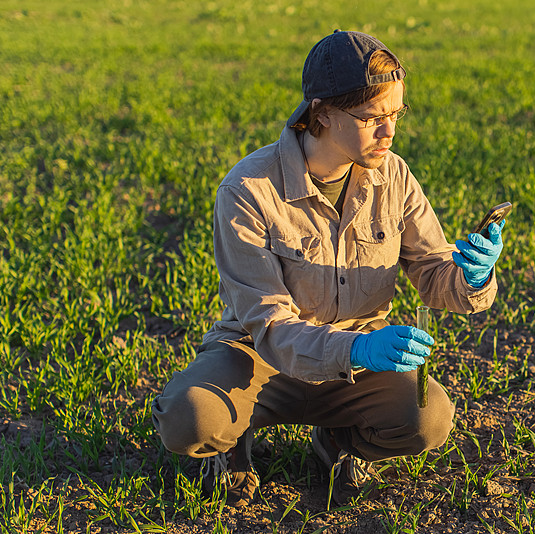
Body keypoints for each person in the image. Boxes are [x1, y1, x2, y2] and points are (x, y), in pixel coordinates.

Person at [151, 30, 506, 508]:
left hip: (359, 365)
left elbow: (434, 275)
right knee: (190, 418)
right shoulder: (248, 190)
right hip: (260, 356)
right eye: (371, 118)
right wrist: (357, 346)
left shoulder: (394, 176)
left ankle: (338, 442)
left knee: (429, 418)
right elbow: (270, 326)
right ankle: (233, 445)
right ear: (321, 113)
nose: (389, 132)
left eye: (396, 115)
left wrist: (473, 276)